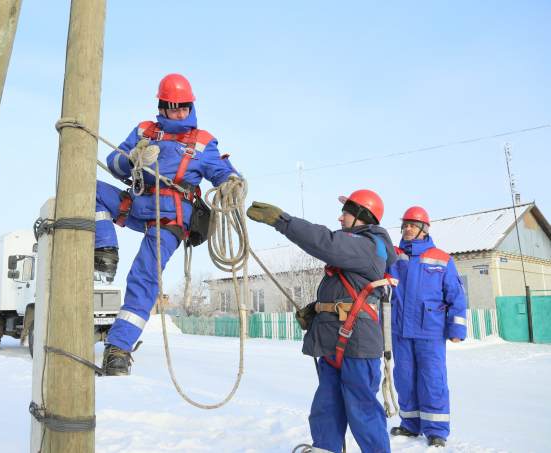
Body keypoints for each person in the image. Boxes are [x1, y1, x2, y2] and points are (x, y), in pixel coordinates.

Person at [95, 73, 241, 376]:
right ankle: (105, 250)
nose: (179, 113)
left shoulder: (202, 142)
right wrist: (133, 158)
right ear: (161, 107)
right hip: (138, 203)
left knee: (143, 277)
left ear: (191, 105)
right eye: (173, 108)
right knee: (85, 188)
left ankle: (118, 349)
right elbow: (113, 163)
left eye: (184, 107)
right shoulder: (144, 131)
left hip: (170, 218)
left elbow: (221, 171)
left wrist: (230, 182)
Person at [247, 189, 396, 453]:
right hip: (335, 337)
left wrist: (283, 221)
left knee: (361, 408)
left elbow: (326, 243)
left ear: (362, 215)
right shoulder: (356, 247)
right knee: (327, 404)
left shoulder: (371, 245)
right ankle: (325, 448)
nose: (340, 218)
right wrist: (318, 310)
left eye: (346, 213)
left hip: (358, 343)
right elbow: (348, 290)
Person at [389, 206, 467, 447]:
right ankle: (411, 424)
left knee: (432, 379)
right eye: (405, 225)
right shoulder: (394, 256)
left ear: (424, 228)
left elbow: (455, 295)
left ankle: (436, 430)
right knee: (404, 378)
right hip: (400, 330)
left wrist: (456, 329)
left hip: (430, 331)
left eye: (412, 225)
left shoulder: (442, 258)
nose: (408, 229)